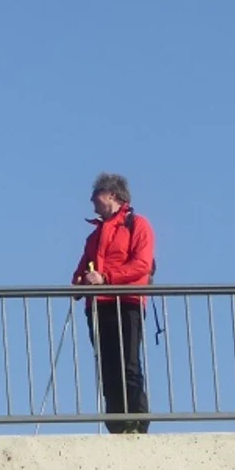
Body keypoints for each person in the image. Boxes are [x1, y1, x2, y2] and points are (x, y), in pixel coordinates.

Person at [72, 173, 155, 434]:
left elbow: (141, 265)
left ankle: (137, 421)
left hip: (127, 301)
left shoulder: (137, 225)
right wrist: (79, 284)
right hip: (98, 306)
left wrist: (106, 278)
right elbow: (82, 268)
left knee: (128, 363)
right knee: (107, 365)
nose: (92, 199)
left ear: (112, 195)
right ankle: (117, 423)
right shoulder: (94, 236)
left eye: (96, 193)